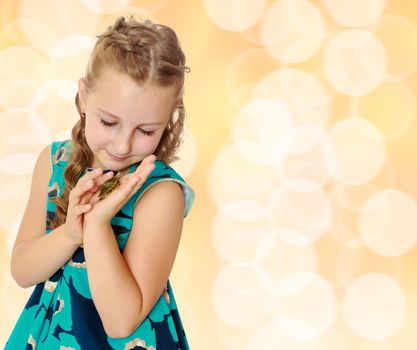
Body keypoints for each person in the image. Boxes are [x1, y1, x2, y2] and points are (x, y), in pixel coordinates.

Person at [5, 15, 195, 350]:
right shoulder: (54, 164)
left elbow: (121, 321)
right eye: (109, 122)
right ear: (82, 98)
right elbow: (22, 271)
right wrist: (70, 232)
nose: (122, 146)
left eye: (146, 131)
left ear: (168, 123)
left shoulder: (161, 193)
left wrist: (96, 225)